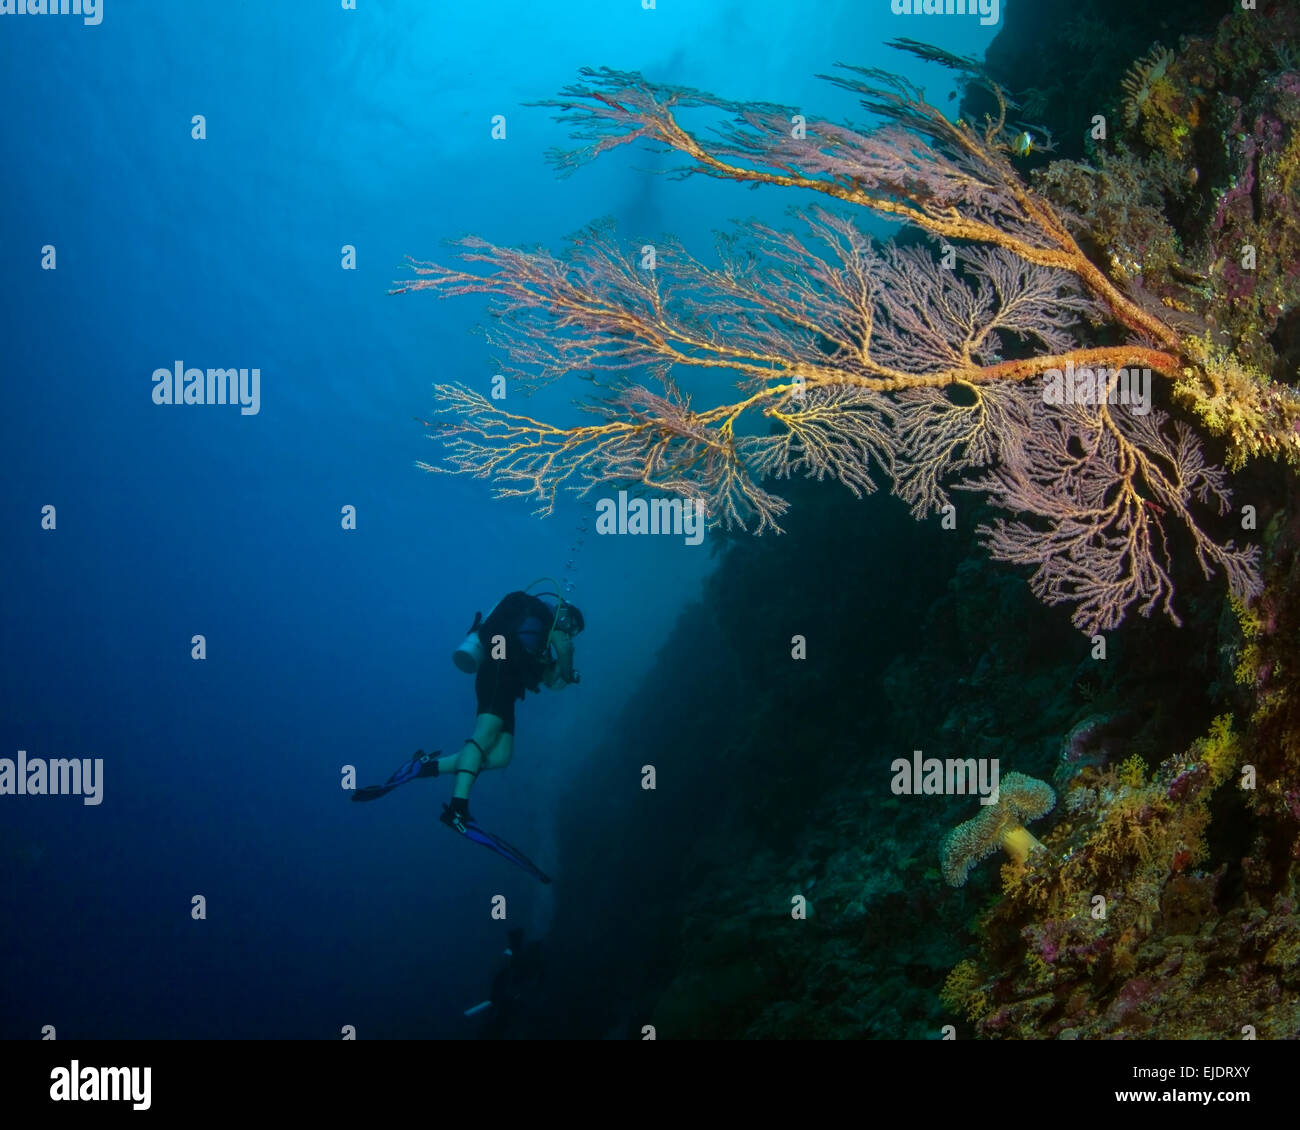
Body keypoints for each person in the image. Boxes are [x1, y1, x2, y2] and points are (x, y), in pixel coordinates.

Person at [350, 588, 583, 843]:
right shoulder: (543, 617)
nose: (570, 632)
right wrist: (569, 672)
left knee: (502, 755)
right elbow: (563, 648)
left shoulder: (535, 632)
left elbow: (545, 675)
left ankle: (425, 767)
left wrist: (556, 674)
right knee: (483, 737)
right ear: (563, 611)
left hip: (506, 681)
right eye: (572, 625)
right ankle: (457, 809)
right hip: (497, 674)